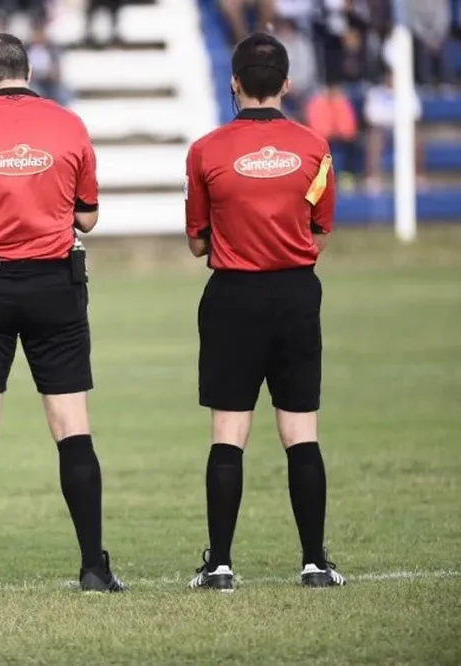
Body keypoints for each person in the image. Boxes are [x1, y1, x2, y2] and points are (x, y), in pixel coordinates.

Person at [0, 33, 124, 595]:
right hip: (55, 283)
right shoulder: (68, 125)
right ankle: (93, 568)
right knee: (71, 427)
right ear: (27, 71)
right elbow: (87, 219)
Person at [184, 32, 346, 592]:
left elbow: (198, 242)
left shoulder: (205, 150)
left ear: (234, 83)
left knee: (229, 433)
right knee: (300, 431)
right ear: (286, 83)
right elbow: (320, 230)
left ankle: (221, 565)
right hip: (297, 295)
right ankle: (314, 564)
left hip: (232, 297)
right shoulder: (315, 148)